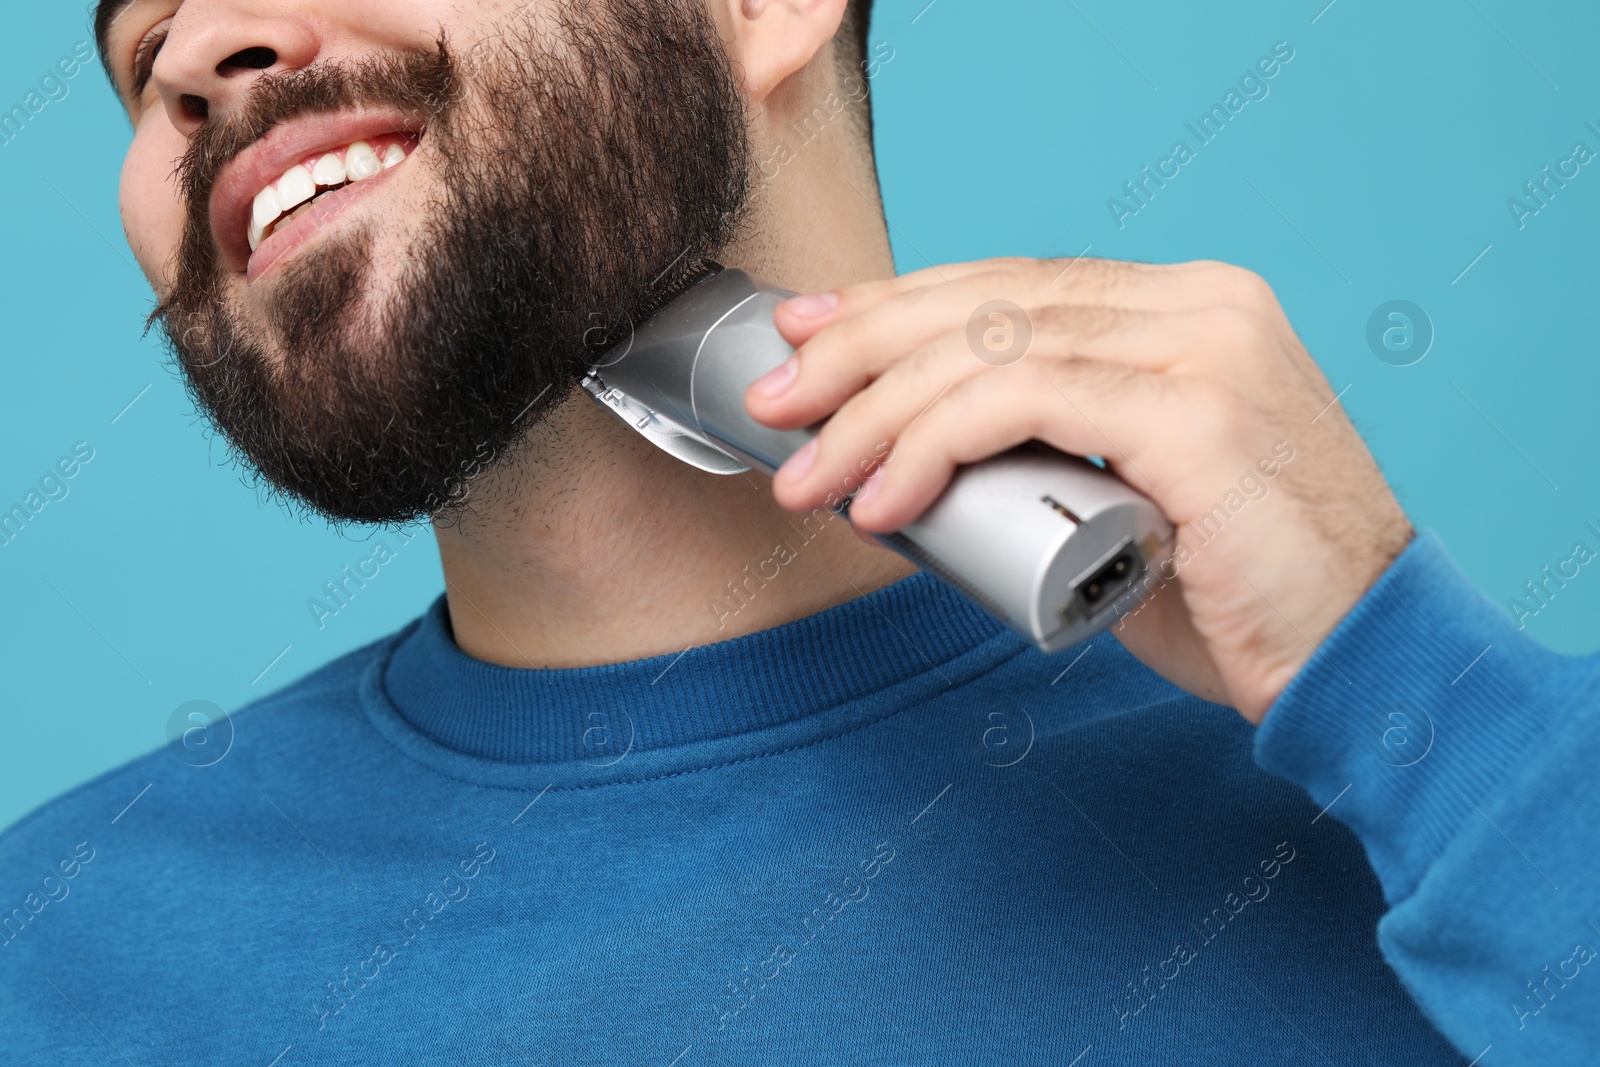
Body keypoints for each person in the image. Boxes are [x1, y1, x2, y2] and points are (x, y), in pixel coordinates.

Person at [0, 0, 1593, 1062]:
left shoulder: (1490, 786)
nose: (192, 48)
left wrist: (1428, 708)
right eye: (140, 45)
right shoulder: (49, 957)